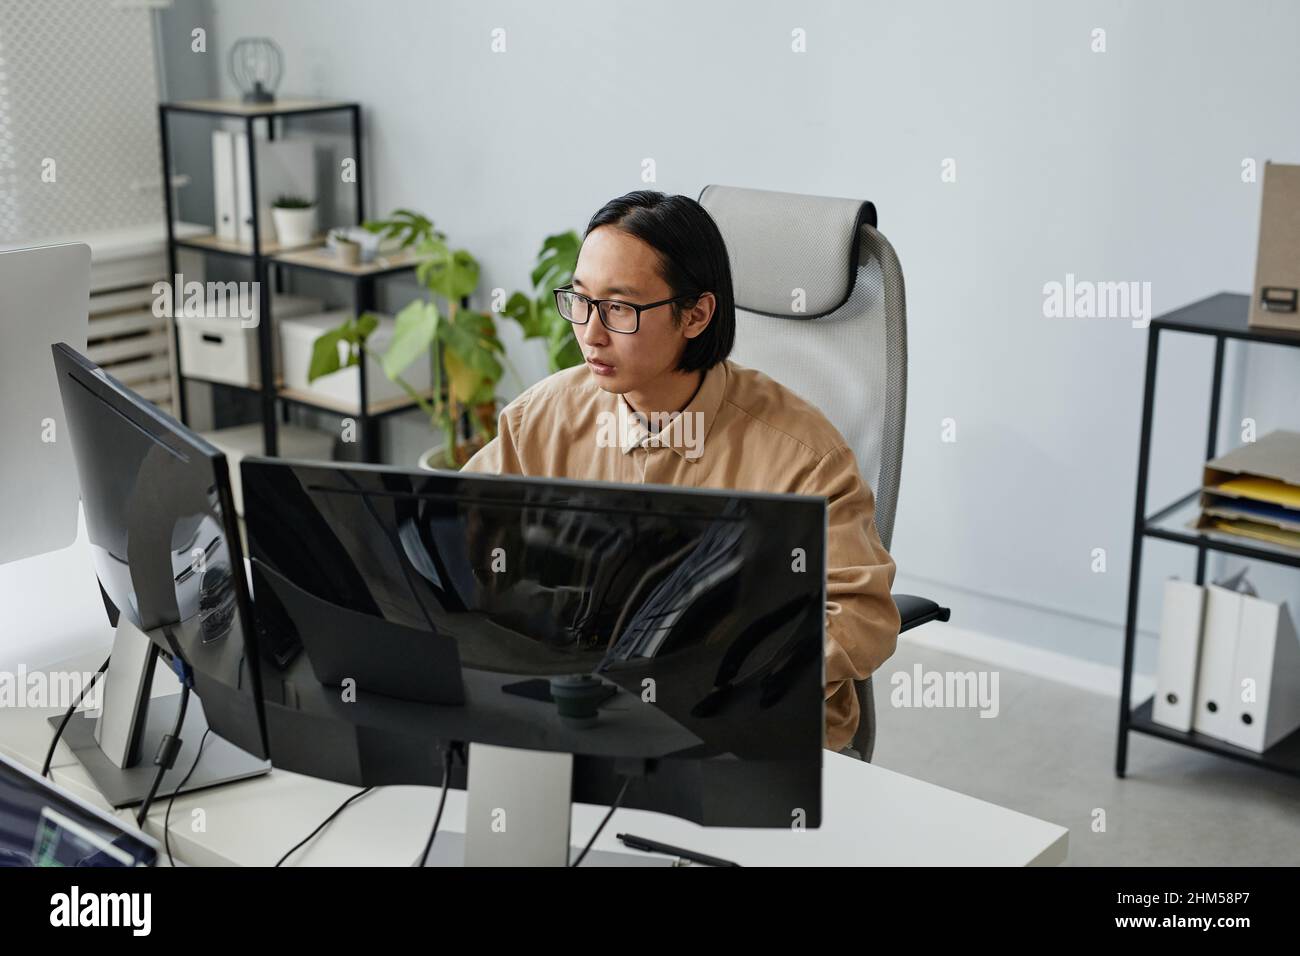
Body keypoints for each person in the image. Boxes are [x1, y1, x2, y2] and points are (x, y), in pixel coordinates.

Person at [462, 189, 900, 753]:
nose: (590, 332)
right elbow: (462, 539)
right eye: (580, 299)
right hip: (578, 710)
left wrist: (728, 673)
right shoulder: (540, 418)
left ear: (695, 314)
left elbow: (860, 614)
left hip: (739, 730)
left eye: (620, 308)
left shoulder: (800, 454)